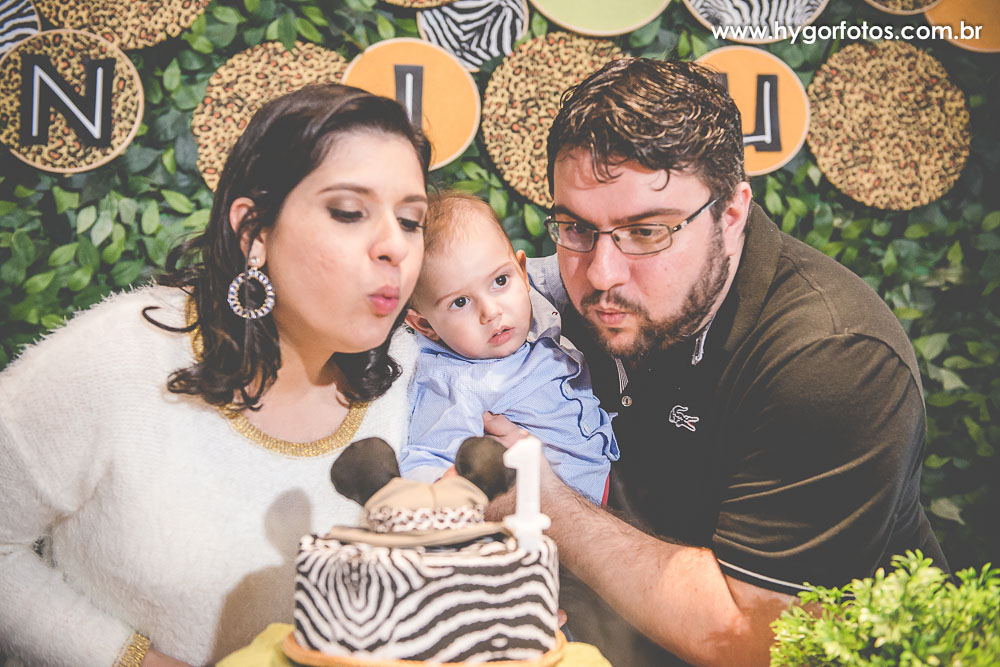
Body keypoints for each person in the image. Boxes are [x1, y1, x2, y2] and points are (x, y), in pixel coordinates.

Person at [484, 57, 948, 666]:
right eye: (575, 227)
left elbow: (753, 638)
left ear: (730, 217)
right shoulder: (553, 297)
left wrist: (543, 502)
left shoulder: (831, 357)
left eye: (646, 232)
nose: (600, 275)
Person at [0, 83, 430, 667]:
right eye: (349, 213)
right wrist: (134, 661)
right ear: (254, 232)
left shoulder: (416, 374)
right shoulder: (122, 356)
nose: (394, 247)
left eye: (410, 220)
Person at [400, 191, 617, 505]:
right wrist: (447, 486)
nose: (491, 311)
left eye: (500, 281)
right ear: (425, 325)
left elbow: (566, 275)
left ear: (522, 272)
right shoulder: (455, 383)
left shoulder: (533, 306)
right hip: (550, 516)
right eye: (459, 302)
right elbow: (425, 459)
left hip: (605, 481)